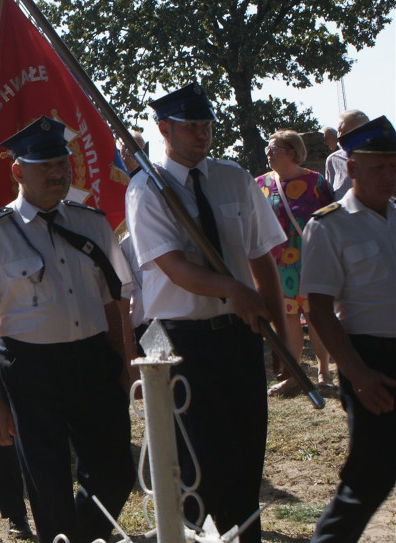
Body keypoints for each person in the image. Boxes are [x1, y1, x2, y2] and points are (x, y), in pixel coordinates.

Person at [0, 116, 137, 542]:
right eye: (45, 165)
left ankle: (77, 535)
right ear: (18, 171)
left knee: (116, 472)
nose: (58, 172)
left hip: (94, 362)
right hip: (31, 369)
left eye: (62, 163)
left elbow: (114, 303)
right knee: (48, 485)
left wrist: (127, 362)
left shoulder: (91, 222)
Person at [125, 83, 286, 542]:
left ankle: (244, 534)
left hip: (238, 335)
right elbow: (173, 266)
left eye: (206, 124)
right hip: (180, 343)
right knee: (194, 464)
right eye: (190, 126)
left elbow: (262, 257)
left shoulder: (234, 178)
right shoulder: (147, 189)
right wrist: (231, 289)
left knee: (244, 452)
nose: (201, 133)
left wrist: (274, 329)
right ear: (164, 129)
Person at [303, 116, 396, 543]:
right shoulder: (329, 225)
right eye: (378, 167)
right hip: (372, 359)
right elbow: (319, 309)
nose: (389, 175)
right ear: (352, 168)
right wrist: (356, 374)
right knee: (370, 474)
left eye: (394, 165)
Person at [256, 130, 335, 396]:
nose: (268, 152)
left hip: (313, 262)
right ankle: (295, 374)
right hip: (278, 266)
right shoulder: (260, 185)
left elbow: (332, 221)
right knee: (288, 318)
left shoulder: (316, 182)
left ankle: (324, 372)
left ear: (292, 152)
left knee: (316, 316)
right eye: (267, 148)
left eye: (274, 148)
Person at [324, 110, 371, 199]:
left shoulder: (381, 157)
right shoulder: (333, 159)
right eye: (339, 131)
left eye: (345, 132)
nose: (339, 136)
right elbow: (329, 195)